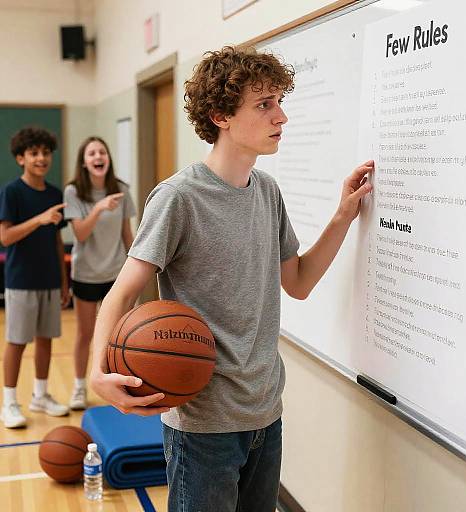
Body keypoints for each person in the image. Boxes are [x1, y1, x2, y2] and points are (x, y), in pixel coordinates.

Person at [90, 46, 373, 511]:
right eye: (264, 104)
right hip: (203, 424)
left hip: (266, 412)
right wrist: (99, 373)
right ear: (221, 115)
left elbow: (298, 281)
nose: (280, 115)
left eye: (280, 101)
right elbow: (120, 294)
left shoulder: (267, 192)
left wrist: (344, 215)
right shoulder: (179, 197)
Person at [0, 126, 70, 429]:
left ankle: (40, 395)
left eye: (45, 152)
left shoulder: (55, 193)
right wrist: (39, 219)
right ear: (21, 158)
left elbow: (56, 240)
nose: (41, 158)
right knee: (17, 342)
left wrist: (64, 281)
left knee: (46, 340)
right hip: (21, 281)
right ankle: (9, 402)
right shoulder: (12, 192)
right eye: (33, 153)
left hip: (50, 280)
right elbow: (5, 237)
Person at [64, 136, 135, 410]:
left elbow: (127, 234)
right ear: (84, 162)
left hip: (117, 274)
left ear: (108, 158)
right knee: (85, 333)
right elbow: (80, 234)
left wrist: (138, 272)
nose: (98, 156)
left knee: (121, 334)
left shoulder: (121, 189)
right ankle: (80, 387)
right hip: (86, 274)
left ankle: (123, 381)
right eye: (92, 153)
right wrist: (98, 208)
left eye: (102, 152)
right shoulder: (73, 192)